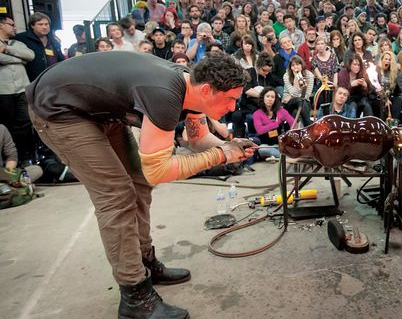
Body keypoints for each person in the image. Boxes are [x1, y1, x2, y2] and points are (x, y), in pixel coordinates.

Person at [26, 51, 256, 318]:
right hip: (59, 110)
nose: (232, 108)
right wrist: (222, 154)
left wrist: (229, 146)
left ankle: (144, 262)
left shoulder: (193, 87)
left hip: (98, 109)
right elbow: (158, 171)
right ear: (207, 90)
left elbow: (198, 139)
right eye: (230, 99)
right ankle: (134, 294)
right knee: (116, 196)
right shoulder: (164, 95)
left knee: (138, 182)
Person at [0, 13, 35, 165]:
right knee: (8, 125)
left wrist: (6, 49)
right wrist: (19, 60)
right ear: (1, 25)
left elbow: (30, 55)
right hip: (3, 91)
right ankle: (11, 160)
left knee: (26, 123)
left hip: (22, 89)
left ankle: (26, 157)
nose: (14, 27)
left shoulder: (18, 43)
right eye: (11, 24)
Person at [14, 12, 64, 82]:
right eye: (40, 24)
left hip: (54, 79)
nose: (44, 27)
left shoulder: (54, 41)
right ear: (32, 25)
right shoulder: (22, 38)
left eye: (46, 24)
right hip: (33, 80)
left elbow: (60, 59)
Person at [252, 87, 293, 161]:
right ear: (263, 98)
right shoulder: (257, 113)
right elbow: (260, 130)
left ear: (275, 99)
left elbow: (293, 123)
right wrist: (275, 124)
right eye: (267, 96)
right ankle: (284, 157)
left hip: (281, 143)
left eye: (272, 97)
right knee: (262, 150)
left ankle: (276, 156)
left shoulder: (281, 111)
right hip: (266, 145)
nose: (270, 99)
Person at [282, 56, 314, 127]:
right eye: (293, 65)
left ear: (302, 65)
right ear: (290, 67)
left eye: (297, 64)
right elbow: (294, 93)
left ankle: (298, 130)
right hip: (289, 103)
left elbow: (307, 95)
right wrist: (296, 79)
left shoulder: (309, 75)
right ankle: (309, 125)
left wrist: (291, 96)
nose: (295, 67)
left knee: (296, 112)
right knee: (300, 100)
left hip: (305, 102)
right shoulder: (286, 76)